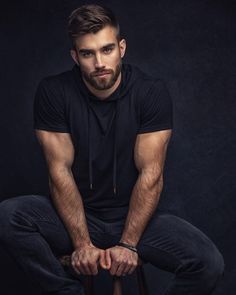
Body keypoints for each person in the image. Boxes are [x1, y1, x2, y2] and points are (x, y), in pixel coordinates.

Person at [0, 4, 224, 295]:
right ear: (74, 56)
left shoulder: (150, 92)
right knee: (8, 216)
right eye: (87, 53)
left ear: (122, 47)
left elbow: (151, 173)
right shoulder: (54, 92)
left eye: (107, 50)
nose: (99, 62)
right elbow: (59, 171)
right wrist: (82, 244)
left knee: (208, 263)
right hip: (76, 215)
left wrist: (128, 243)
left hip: (134, 217)